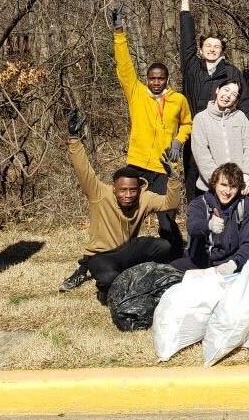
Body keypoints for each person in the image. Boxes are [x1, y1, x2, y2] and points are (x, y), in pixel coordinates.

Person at [59, 111, 181, 304]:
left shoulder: (144, 198)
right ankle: (102, 288)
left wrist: (173, 178)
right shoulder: (99, 194)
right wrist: (74, 139)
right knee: (109, 277)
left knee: (165, 247)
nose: (128, 194)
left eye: (132, 190)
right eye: (123, 190)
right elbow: (84, 170)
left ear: (139, 188)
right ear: (114, 189)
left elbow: (170, 203)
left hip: (128, 249)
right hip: (102, 255)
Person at [113, 7, 191, 255]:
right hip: (136, 163)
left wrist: (179, 141)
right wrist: (119, 33)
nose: (156, 82)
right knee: (126, 210)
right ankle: (118, 251)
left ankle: (176, 254)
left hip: (162, 166)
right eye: (152, 78)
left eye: (161, 78)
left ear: (167, 79)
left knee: (166, 214)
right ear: (147, 78)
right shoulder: (136, 93)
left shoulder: (178, 99)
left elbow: (188, 123)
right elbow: (125, 67)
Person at [180, 0, 249, 201]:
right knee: (196, 186)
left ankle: (234, 227)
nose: (212, 49)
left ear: (222, 51)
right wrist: (185, 6)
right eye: (208, 45)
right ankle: (199, 230)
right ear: (200, 49)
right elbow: (186, 40)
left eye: (216, 46)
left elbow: (245, 104)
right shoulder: (192, 68)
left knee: (228, 182)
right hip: (195, 136)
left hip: (224, 136)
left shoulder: (231, 72)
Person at [172, 162, 249, 272]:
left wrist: (234, 264)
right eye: (223, 185)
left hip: (233, 262)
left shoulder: (246, 205)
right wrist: (208, 225)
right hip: (202, 262)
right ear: (214, 184)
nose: (227, 191)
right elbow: (192, 227)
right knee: (168, 271)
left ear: (239, 188)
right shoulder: (199, 203)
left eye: (233, 186)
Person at [190, 80, 249, 196]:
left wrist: (247, 175)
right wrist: (219, 182)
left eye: (234, 94)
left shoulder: (240, 117)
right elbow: (201, 154)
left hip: (239, 185)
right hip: (211, 188)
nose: (228, 96)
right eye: (226, 90)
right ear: (217, 90)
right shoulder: (201, 119)